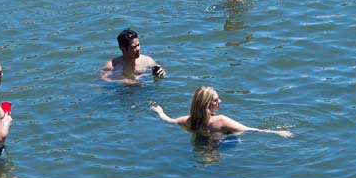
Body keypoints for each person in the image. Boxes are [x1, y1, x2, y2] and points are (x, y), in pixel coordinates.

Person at [151, 86, 293, 138]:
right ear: (206, 105)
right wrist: (276, 132)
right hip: (224, 146)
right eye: (216, 100)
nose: (220, 102)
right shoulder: (222, 120)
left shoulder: (189, 120)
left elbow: (168, 120)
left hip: (201, 143)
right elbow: (249, 130)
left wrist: (159, 111)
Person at [100, 28, 166, 83]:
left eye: (138, 45)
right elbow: (102, 80)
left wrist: (160, 74)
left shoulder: (148, 61)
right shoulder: (112, 65)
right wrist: (124, 82)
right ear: (123, 48)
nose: (138, 49)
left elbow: (159, 77)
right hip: (122, 93)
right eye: (134, 47)